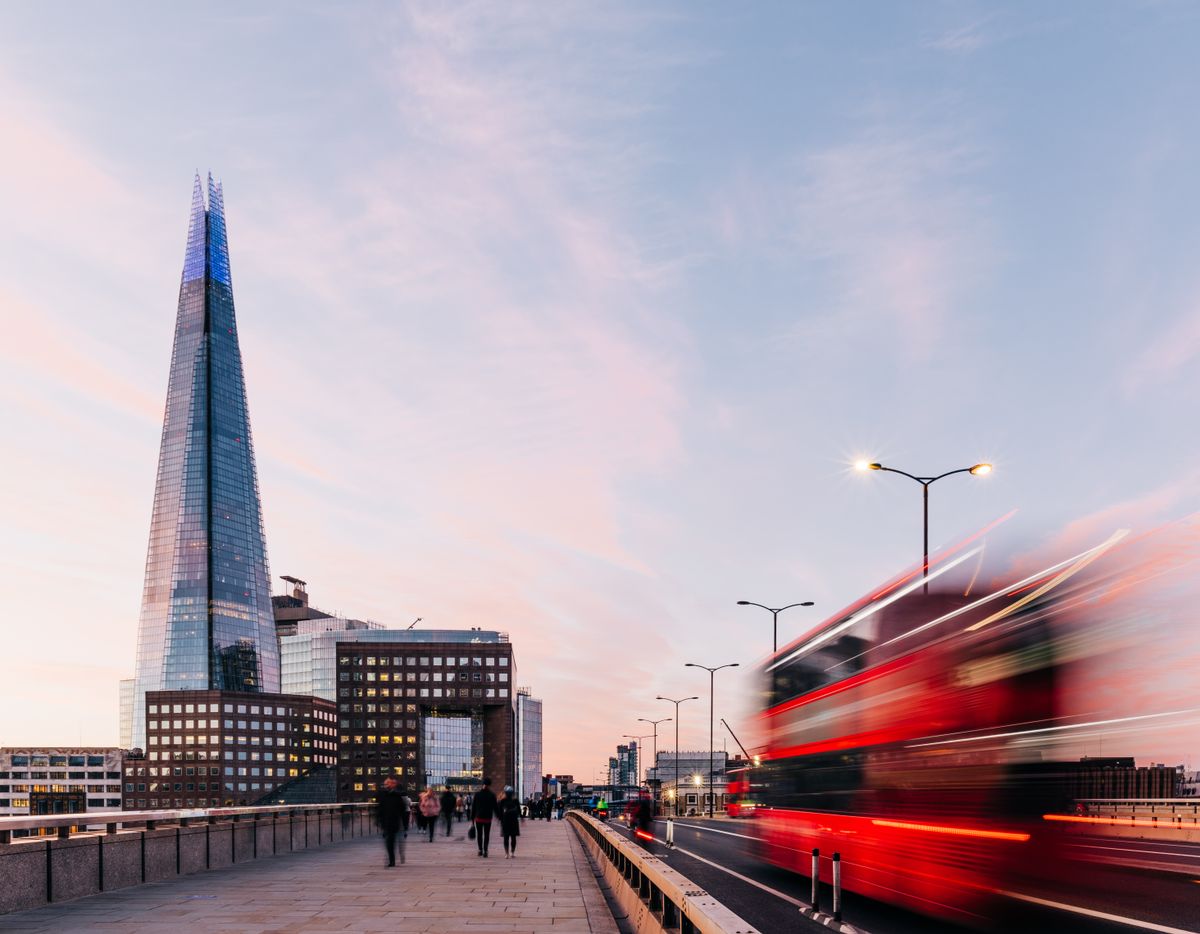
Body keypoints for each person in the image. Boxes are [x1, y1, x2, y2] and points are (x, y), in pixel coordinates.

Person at [376, 777, 409, 867]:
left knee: (391, 841)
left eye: (389, 783)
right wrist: (379, 820)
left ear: (394, 784)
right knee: (389, 841)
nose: (387, 785)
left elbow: (403, 810)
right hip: (386, 821)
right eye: (386, 784)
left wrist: (405, 825)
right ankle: (392, 858)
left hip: (394, 822)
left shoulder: (397, 795)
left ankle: (392, 860)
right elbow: (379, 808)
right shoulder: (382, 794)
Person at [470, 776, 498, 857]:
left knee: (479, 834)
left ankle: (480, 850)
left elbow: (473, 808)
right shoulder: (492, 795)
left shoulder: (477, 794)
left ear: (483, 784)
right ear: (489, 785)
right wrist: (499, 817)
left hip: (478, 818)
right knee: (486, 834)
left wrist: (472, 819)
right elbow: (495, 808)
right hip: (487, 819)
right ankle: (485, 850)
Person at [497, 785, 521, 858]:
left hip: (505, 821)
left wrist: (500, 819)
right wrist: (521, 818)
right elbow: (519, 811)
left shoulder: (502, 801)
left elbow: (499, 812)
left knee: (506, 837)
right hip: (513, 821)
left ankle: (507, 853)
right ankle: (512, 852)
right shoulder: (515, 800)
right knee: (513, 837)